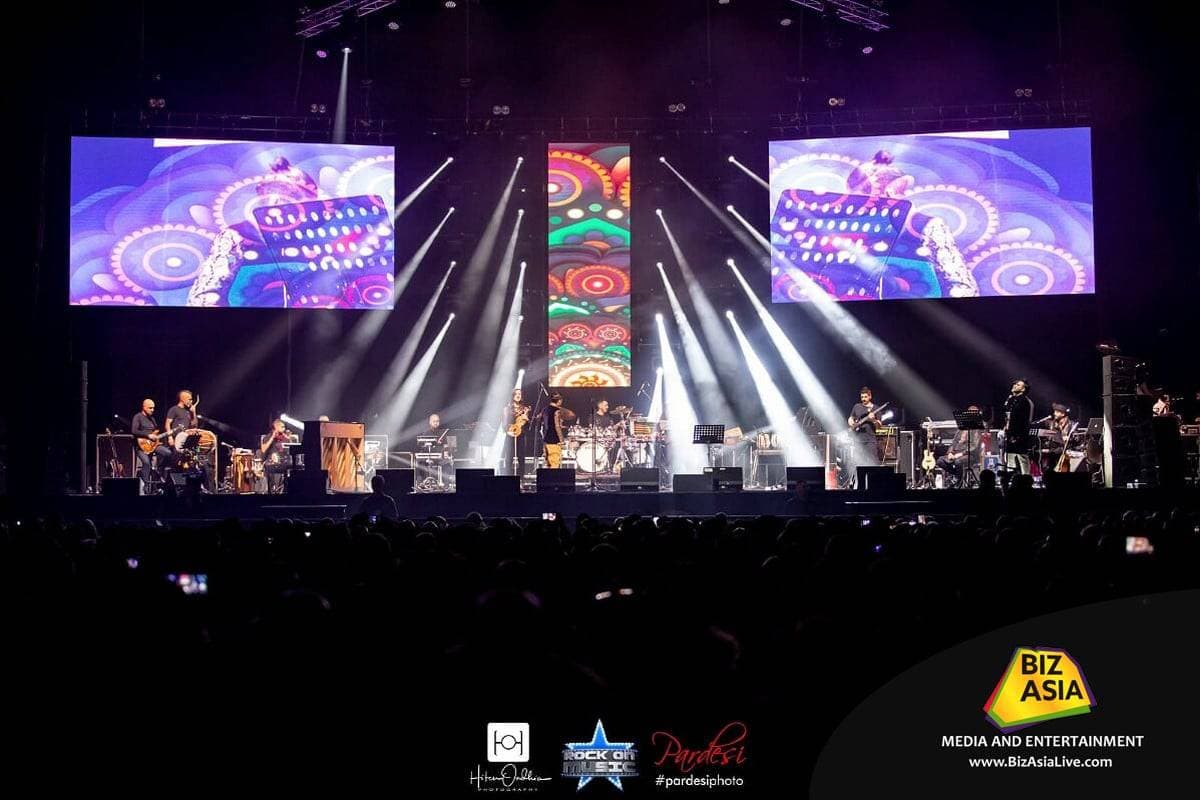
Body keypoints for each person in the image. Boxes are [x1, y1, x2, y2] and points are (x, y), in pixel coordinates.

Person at [937, 404, 984, 485]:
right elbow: (954, 442)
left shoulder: (977, 429)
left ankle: (959, 481)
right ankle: (958, 475)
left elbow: (974, 446)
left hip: (969, 454)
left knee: (958, 462)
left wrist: (961, 454)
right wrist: (950, 453)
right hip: (956, 453)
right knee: (940, 461)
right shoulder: (961, 428)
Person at [131, 398, 172, 487]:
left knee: (168, 453)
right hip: (141, 446)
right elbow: (134, 431)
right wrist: (148, 435)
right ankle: (145, 485)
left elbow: (155, 432)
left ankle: (159, 471)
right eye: (150, 408)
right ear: (144, 407)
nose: (152, 410)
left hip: (153, 445)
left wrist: (159, 438)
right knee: (146, 463)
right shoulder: (138, 417)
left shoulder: (152, 419)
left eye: (153, 408)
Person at [847, 387, 881, 484]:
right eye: (862, 397)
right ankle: (860, 485)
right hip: (858, 440)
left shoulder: (875, 408)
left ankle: (874, 484)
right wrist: (851, 422)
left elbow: (879, 426)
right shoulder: (856, 406)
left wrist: (873, 420)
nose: (863, 399)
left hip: (870, 440)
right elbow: (850, 418)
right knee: (859, 463)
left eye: (865, 397)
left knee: (873, 463)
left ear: (870, 396)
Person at [1003, 379, 1035, 476]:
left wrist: (1017, 436)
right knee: (1010, 456)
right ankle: (1011, 477)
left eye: (1018, 385)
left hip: (1020, 434)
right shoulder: (1012, 400)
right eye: (1015, 384)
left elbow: (1024, 421)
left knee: (1022, 456)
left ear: (1023, 389)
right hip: (1010, 433)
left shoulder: (1024, 401)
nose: (1015, 385)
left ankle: (1026, 477)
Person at [500, 389, 531, 477]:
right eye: (516, 394)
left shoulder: (525, 409)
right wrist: (508, 432)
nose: (518, 395)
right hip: (510, 434)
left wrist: (527, 419)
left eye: (520, 394)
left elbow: (528, 425)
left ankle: (521, 477)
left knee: (521, 457)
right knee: (509, 457)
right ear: (512, 396)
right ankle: (508, 477)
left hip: (521, 434)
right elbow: (504, 423)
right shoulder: (507, 409)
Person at [260, 418, 297, 493]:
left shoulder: (284, 437)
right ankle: (273, 489)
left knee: (294, 467)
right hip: (271, 462)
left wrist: (289, 439)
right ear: (276, 427)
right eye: (282, 427)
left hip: (284, 461)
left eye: (284, 427)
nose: (284, 428)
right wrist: (272, 437)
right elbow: (263, 449)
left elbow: (291, 449)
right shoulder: (268, 436)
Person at [543, 393, 567, 468]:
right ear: (559, 401)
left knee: (548, 464)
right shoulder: (557, 411)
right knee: (554, 464)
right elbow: (557, 426)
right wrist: (562, 440)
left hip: (546, 438)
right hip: (554, 439)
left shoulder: (545, 409)